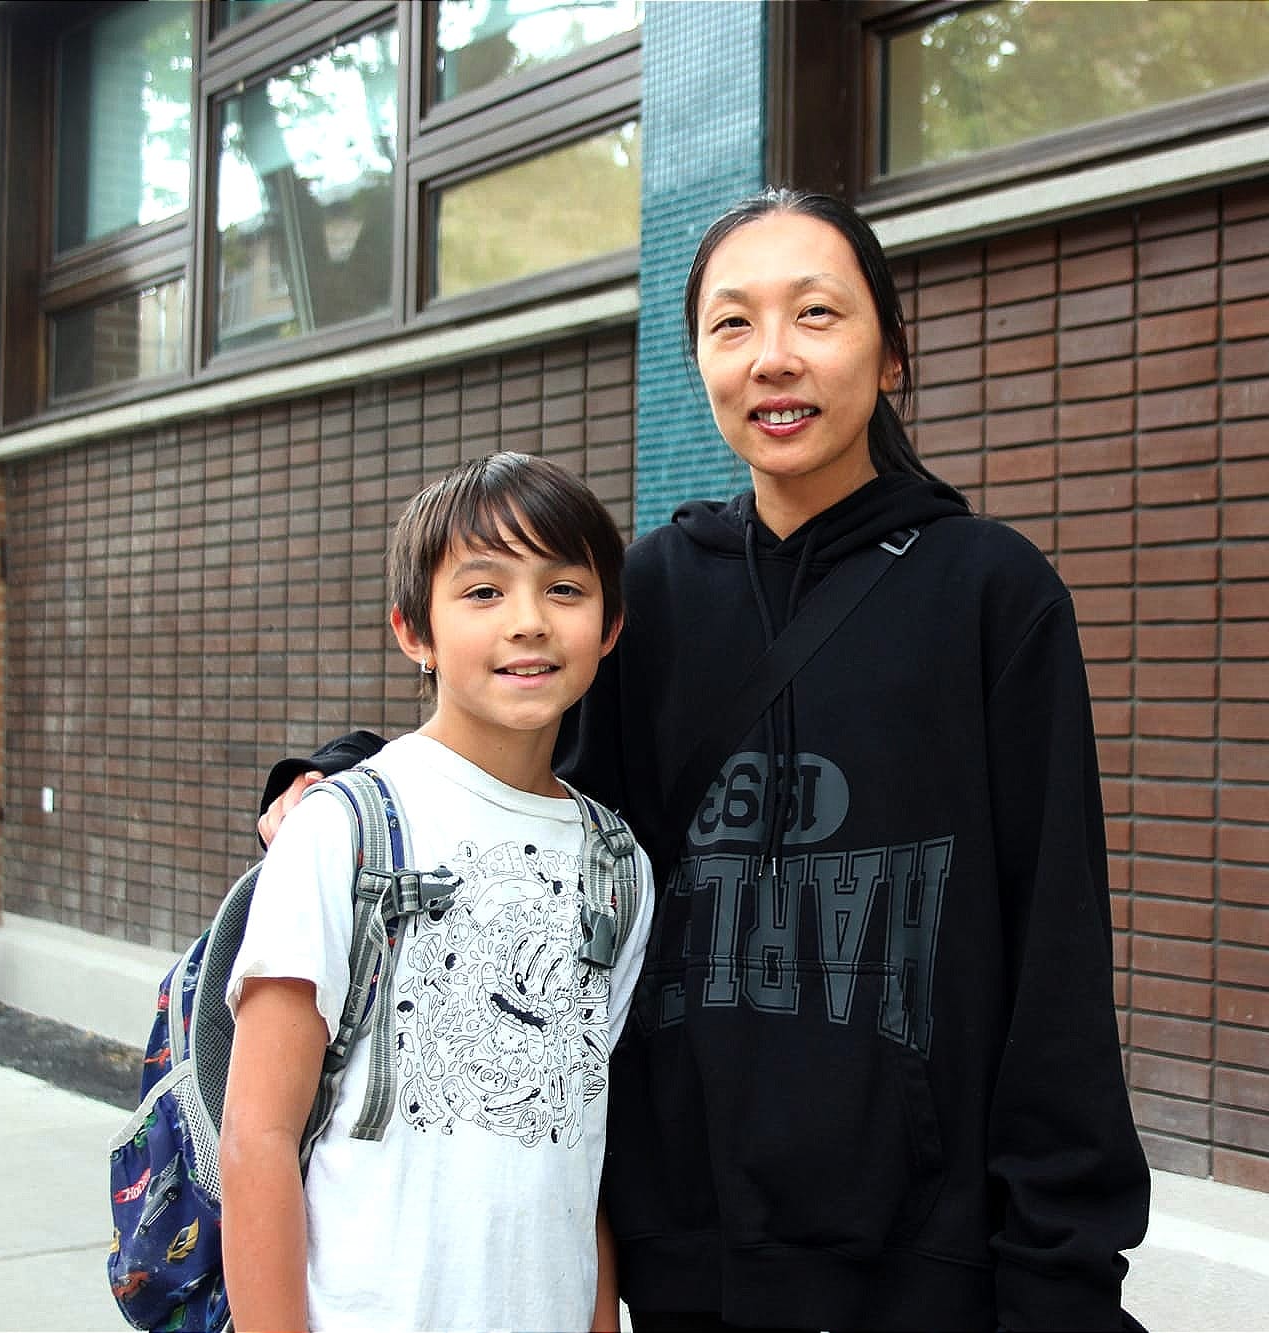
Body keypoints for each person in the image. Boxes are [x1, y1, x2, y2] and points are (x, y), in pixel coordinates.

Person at [259, 188, 1151, 1331]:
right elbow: (518, 767)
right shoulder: (658, 594)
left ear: (889, 355)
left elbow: (1056, 949)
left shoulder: (989, 593)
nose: (772, 358)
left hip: (926, 1269)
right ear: (699, 361)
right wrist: (345, 769)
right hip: (688, 1262)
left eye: (816, 315)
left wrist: (1060, 1270)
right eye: (732, 325)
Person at [220, 451, 653, 1332]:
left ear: (610, 625)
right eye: (484, 591)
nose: (527, 622)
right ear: (413, 630)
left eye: (564, 589)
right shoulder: (343, 830)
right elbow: (256, 1138)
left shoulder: (619, 864)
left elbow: (578, 1147)